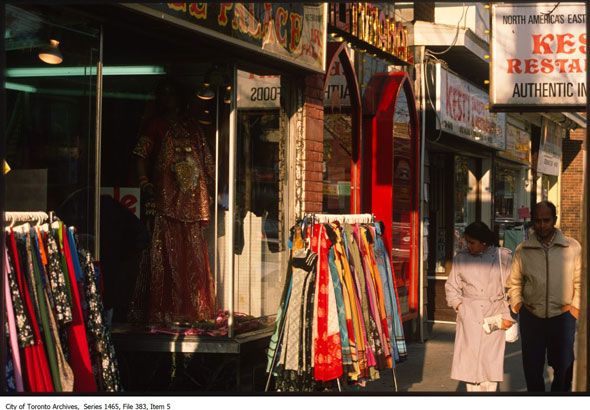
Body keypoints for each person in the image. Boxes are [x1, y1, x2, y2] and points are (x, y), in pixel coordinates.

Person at [131, 79, 216, 325]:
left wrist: (211, 192)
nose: (168, 98)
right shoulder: (155, 125)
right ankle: (164, 311)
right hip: (166, 200)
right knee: (164, 252)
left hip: (191, 202)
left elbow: (207, 163)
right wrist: (145, 182)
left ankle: (195, 311)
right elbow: (140, 156)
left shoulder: (193, 128)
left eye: (172, 93)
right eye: (164, 93)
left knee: (192, 254)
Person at [507, 200, 581, 392]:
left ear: (554, 220)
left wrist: (575, 308)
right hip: (532, 317)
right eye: (537, 221)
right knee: (532, 371)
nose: (541, 225)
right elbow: (514, 283)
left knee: (564, 370)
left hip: (563, 317)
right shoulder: (523, 250)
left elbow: (581, 282)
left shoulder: (572, 248)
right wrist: (518, 305)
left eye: (546, 220)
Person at [445, 221, 515, 392]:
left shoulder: (503, 257)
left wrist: (509, 314)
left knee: (490, 364)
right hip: (469, 314)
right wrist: (460, 306)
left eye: (472, 242)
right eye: (466, 242)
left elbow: (514, 286)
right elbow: (451, 286)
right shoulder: (461, 258)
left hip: (494, 313)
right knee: (470, 366)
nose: (468, 246)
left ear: (483, 241)